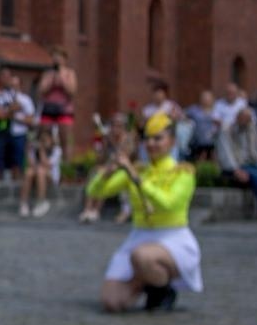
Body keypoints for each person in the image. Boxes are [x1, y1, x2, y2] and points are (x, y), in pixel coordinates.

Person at [88, 112, 201, 311]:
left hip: (173, 238)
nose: (151, 144)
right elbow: (95, 191)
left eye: (158, 138)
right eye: (148, 139)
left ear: (172, 142)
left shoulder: (183, 172)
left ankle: (163, 289)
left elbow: (168, 204)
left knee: (142, 256)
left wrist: (137, 179)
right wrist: (109, 170)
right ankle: (146, 283)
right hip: (139, 235)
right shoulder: (139, 169)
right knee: (111, 302)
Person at [218, 106, 257, 219]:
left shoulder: (252, 129)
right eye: (245, 119)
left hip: (252, 164)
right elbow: (226, 153)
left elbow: (256, 150)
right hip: (236, 166)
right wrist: (236, 170)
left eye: (249, 119)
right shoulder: (226, 130)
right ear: (238, 118)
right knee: (256, 176)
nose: (247, 122)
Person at [81, 114, 137, 224]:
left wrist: (108, 166)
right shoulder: (107, 138)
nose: (115, 129)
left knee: (106, 174)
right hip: (108, 166)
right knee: (94, 172)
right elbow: (102, 157)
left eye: (119, 126)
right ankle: (87, 209)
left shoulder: (128, 139)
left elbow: (124, 157)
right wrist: (101, 150)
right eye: (113, 126)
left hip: (123, 168)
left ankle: (96, 210)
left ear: (123, 127)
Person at [36, 47, 78, 158]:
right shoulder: (48, 74)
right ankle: (45, 161)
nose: (56, 59)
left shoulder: (70, 73)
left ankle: (66, 165)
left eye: (59, 57)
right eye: (54, 57)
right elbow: (41, 90)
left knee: (65, 138)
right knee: (45, 136)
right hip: (49, 108)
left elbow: (72, 91)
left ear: (64, 59)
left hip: (64, 109)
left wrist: (62, 78)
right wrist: (52, 81)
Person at [21, 125, 60, 218]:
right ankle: (23, 203)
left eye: (45, 140)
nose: (43, 142)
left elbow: (47, 165)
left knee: (40, 171)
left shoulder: (57, 150)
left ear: (51, 140)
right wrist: (28, 151)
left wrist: (42, 150)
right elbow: (31, 165)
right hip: (37, 173)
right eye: (41, 140)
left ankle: (41, 202)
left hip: (51, 176)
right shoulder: (35, 149)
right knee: (28, 172)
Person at [186, 90, 219, 162]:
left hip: (214, 140)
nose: (206, 100)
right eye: (204, 98)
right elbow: (184, 116)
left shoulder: (218, 109)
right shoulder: (194, 109)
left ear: (212, 99)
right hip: (198, 140)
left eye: (208, 98)